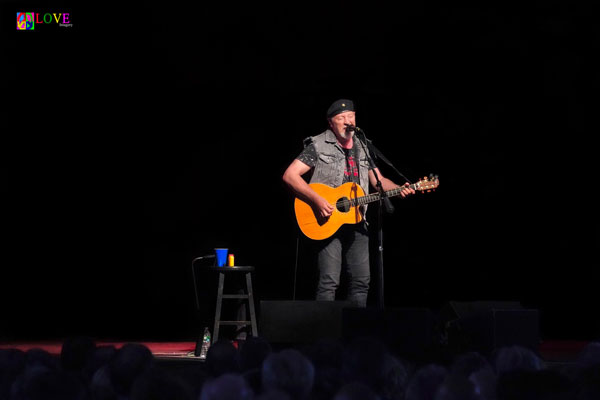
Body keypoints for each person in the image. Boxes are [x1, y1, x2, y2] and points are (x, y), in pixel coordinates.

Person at [282, 99, 415, 307]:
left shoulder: (363, 146)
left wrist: (400, 188)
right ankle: (324, 335)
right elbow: (290, 175)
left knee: (362, 281)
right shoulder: (318, 145)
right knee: (329, 282)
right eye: (341, 118)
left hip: (357, 220)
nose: (347, 121)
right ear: (331, 123)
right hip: (326, 219)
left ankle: (354, 332)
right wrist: (316, 199)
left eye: (350, 116)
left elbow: (378, 182)